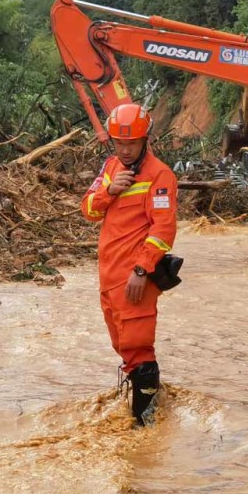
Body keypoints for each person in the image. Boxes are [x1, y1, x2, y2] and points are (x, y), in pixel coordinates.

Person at [80, 103, 178, 424]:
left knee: (138, 347)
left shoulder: (159, 176)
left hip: (136, 277)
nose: (124, 149)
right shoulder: (110, 168)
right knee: (122, 345)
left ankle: (144, 427)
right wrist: (110, 190)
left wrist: (141, 269)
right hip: (109, 275)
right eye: (119, 143)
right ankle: (150, 405)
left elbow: (163, 228)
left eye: (131, 143)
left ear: (145, 139)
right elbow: (89, 210)